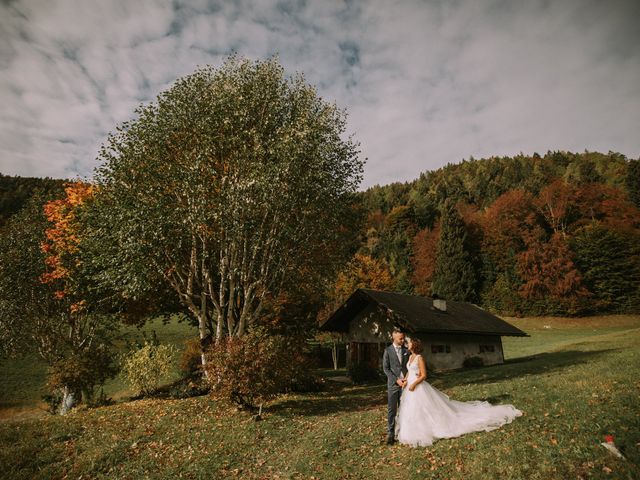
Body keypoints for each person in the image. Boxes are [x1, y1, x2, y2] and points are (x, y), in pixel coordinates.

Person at [395, 337, 523, 447]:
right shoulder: (410, 356)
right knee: (411, 410)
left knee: (425, 408)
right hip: (409, 386)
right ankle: (411, 433)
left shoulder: (419, 357)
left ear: (415, 345)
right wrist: (405, 380)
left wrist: (414, 384)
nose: (408, 343)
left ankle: (427, 430)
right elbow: (409, 371)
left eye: (410, 342)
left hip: (417, 386)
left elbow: (423, 375)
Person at [382, 327, 409, 445]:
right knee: (392, 409)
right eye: (401, 338)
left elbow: (408, 366)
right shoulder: (387, 350)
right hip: (393, 385)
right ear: (394, 337)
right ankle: (390, 433)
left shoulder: (406, 350)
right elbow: (386, 369)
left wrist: (407, 379)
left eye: (403, 338)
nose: (403, 340)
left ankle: (404, 431)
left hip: (405, 384)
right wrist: (396, 380)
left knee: (404, 408)